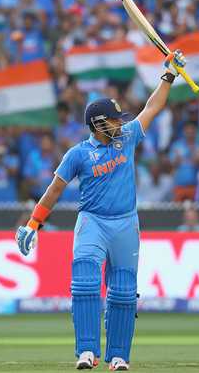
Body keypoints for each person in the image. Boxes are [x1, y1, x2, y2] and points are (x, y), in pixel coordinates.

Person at [15, 50, 187, 370]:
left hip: (125, 223)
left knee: (123, 292)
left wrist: (169, 74)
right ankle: (87, 352)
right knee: (84, 283)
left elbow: (153, 107)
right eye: (113, 120)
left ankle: (119, 356)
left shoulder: (129, 136)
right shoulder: (77, 154)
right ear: (96, 124)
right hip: (92, 222)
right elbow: (54, 191)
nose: (120, 124)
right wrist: (32, 224)